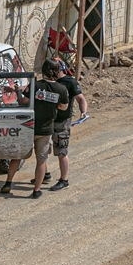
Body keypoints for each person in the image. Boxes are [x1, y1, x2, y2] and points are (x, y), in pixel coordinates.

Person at [1, 61, 68, 199]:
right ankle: (36, 190)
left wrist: (18, 91)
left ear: (43, 71)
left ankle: (8, 183)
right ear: (57, 72)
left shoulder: (35, 85)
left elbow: (22, 101)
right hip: (46, 129)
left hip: (28, 126)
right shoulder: (61, 89)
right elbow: (63, 107)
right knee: (41, 160)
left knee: (17, 156)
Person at [48, 59, 85, 192]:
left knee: (61, 151)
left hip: (62, 122)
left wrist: (83, 112)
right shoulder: (49, 82)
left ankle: (64, 180)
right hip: (48, 120)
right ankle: (45, 174)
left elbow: (81, 99)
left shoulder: (70, 82)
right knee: (44, 149)